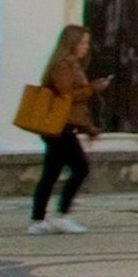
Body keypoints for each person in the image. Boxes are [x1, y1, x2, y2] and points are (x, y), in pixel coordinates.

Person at [22, 24, 107, 235]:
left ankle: (39, 218)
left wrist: (89, 129)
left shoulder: (74, 65)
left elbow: (75, 107)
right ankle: (61, 214)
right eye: (83, 42)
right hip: (58, 126)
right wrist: (93, 88)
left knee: (51, 172)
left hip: (65, 125)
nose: (86, 47)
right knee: (80, 167)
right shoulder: (62, 66)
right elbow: (67, 97)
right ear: (71, 43)